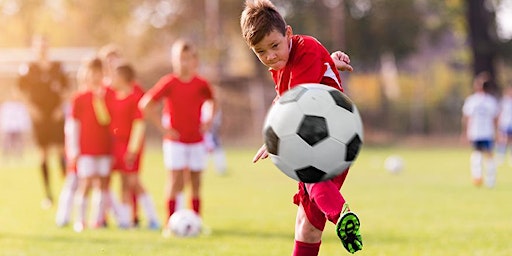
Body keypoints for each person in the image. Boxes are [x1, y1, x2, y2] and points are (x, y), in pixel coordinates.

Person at [240, 1, 361, 255]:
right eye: (261, 52)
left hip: (328, 137)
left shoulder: (306, 49)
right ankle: (341, 216)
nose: (271, 56)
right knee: (305, 226)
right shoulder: (282, 65)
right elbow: (289, 94)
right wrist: (330, 62)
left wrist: (271, 138)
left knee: (310, 177)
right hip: (316, 136)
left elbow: (297, 102)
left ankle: (341, 215)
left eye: (274, 46)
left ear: (288, 33)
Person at [139, 39, 217, 223]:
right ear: (174, 60)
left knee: (196, 181)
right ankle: (171, 222)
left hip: (196, 140)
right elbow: (145, 105)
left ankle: (196, 222)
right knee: (175, 181)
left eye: (187, 58)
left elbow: (214, 101)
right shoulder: (169, 82)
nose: (183, 62)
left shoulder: (201, 83)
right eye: (180, 58)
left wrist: (208, 122)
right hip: (175, 142)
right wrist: (163, 128)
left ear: (194, 60)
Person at [18, 35, 69, 209]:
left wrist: (59, 108)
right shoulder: (28, 68)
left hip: (55, 116)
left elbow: (66, 89)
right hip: (39, 117)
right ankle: (48, 194)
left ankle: (68, 189)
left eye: (45, 46)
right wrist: (32, 109)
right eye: (39, 47)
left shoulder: (58, 67)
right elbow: (20, 91)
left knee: (62, 152)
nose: (42, 50)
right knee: (43, 153)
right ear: (34, 49)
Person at [106, 63, 160, 229]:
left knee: (134, 181)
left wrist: (132, 150)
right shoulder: (114, 97)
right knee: (123, 181)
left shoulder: (135, 98)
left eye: (115, 75)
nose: (112, 79)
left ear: (123, 78)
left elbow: (138, 124)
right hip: (118, 144)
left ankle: (153, 218)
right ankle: (124, 220)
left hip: (131, 145)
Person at [68, 57, 115, 232]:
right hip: (86, 149)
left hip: (104, 147)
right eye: (92, 73)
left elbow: (108, 120)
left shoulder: (109, 94)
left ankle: (98, 220)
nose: (96, 77)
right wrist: (74, 149)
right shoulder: (79, 97)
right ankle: (80, 220)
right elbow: (74, 125)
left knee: (103, 183)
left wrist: (101, 100)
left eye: (99, 73)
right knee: (85, 183)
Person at [462, 72, 499, 188]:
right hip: (488, 132)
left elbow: (467, 118)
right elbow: (495, 119)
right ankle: (490, 180)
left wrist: (465, 132)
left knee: (476, 154)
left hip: (475, 132)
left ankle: (477, 177)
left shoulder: (472, 100)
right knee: (489, 156)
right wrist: (496, 132)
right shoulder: (491, 101)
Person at [0, 87, 31, 160]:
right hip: (9, 127)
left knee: (19, 142)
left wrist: (24, 126)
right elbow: (3, 116)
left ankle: (19, 155)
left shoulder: (20, 106)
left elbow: (24, 116)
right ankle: (6, 155)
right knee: (7, 142)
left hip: (18, 127)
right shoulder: (6, 105)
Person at [201, 101, 227, 175]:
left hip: (210, 129)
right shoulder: (205, 103)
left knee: (215, 148)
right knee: (207, 149)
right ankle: (202, 167)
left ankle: (220, 167)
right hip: (207, 129)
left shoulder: (212, 103)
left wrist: (208, 126)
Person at [496, 84, 512, 165]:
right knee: (502, 140)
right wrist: (499, 124)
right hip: (505, 123)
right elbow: (499, 113)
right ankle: (501, 156)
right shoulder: (504, 101)